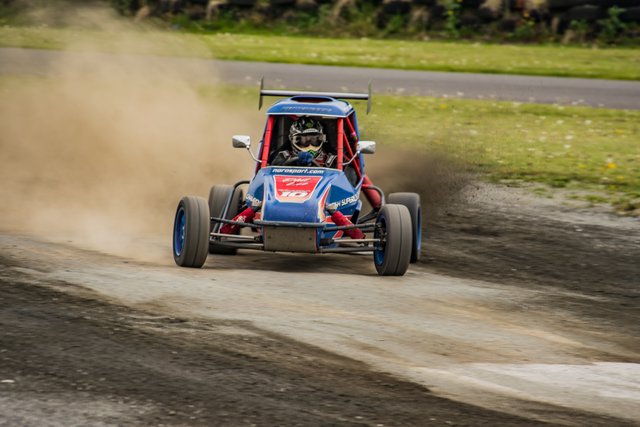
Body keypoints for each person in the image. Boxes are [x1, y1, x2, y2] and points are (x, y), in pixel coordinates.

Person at [271, 117, 336, 167]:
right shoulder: (283, 156)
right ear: (292, 139)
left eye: (314, 140)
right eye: (304, 140)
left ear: (322, 139)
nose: (310, 146)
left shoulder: (330, 160)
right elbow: (271, 174)